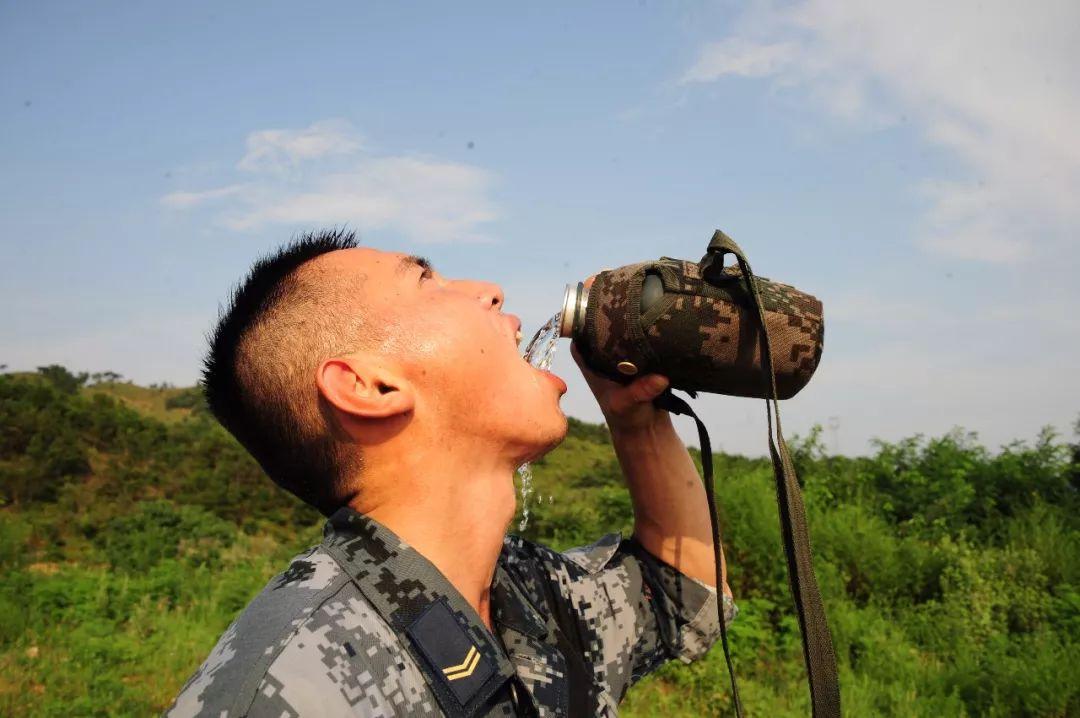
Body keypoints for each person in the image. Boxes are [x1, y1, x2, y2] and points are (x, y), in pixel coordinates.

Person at [166, 229, 735, 717]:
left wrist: (635, 421)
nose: (491, 291)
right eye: (425, 282)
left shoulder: (523, 591)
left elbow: (683, 594)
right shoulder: (293, 687)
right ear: (372, 387)